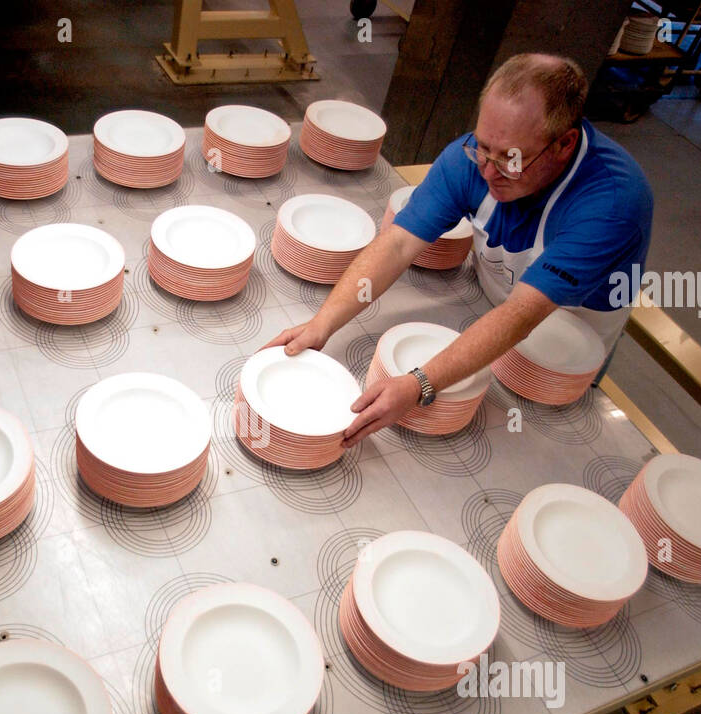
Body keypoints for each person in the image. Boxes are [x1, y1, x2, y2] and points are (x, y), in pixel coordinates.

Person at [263, 53, 654, 448]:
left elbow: (522, 314)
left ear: (564, 143)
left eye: (510, 159)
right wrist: (323, 323)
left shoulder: (612, 206)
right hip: (495, 314)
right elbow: (398, 244)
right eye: (483, 148)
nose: (487, 171)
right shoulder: (471, 158)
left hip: (564, 347)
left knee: (532, 444)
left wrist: (419, 383)